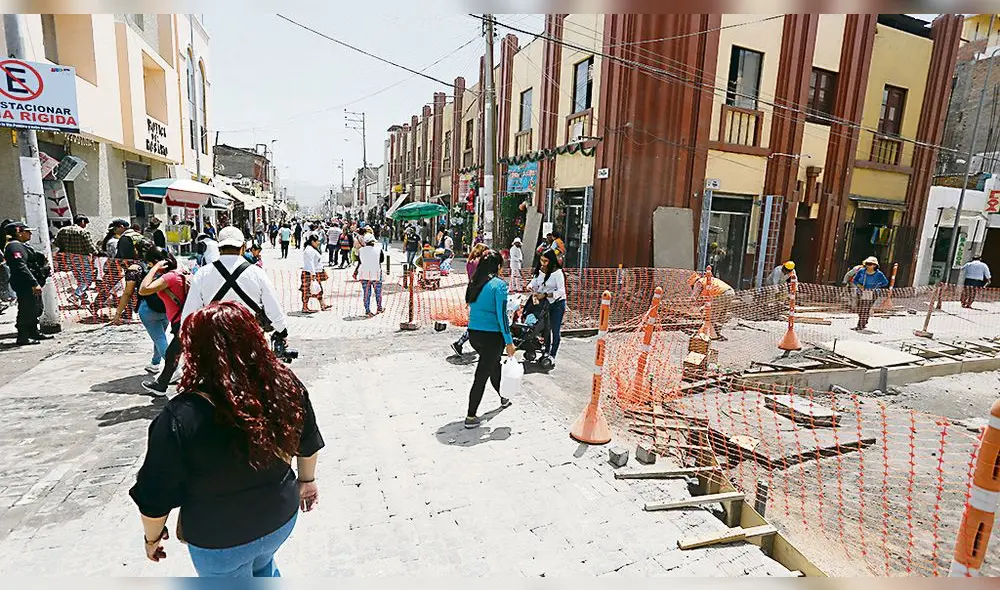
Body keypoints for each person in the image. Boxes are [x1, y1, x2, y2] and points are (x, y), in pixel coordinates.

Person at [128, 301, 324, 578]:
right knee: (264, 565)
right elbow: (308, 439)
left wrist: (152, 539)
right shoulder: (284, 384)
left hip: (220, 539)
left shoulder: (181, 416)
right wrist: (307, 481)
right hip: (280, 517)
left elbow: (155, 493)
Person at [180, 227, 288, 344]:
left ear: (219, 248)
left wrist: (187, 337)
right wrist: (282, 331)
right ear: (243, 247)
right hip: (250, 340)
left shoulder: (202, 274)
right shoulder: (257, 273)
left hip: (215, 341)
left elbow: (190, 313)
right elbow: (273, 307)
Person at [463, 251, 516, 428]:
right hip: (491, 336)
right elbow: (502, 315)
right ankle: (471, 416)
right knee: (482, 375)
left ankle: (503, 397)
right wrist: (509, 342)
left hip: (474, 334)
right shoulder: (499, 285)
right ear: (498, 266)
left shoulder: (475, 282)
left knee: (494, 365)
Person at [111, 250, 171, 375]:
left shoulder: (136, 269)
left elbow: (128, 293)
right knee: (160, 336)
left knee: (159, 337)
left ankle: (173, 368)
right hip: (166, 307)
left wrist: (118, 314)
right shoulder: (167, 267)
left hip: (148, 308)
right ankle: (155, 363)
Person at [138, 251, 190, 395]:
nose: (149, 266)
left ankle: (163, 385)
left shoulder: (170, 277)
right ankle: (161, 385)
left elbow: (143, 290)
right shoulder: (179, 272)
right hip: (183, 319)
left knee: (174, 354)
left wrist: (154, 269)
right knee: (173, 354)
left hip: (181, 321)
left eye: (150, 263)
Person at [3, 221, 52, 345]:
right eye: (27, 231)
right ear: (18, 232)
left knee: (35, 308)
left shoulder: (21, 245)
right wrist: (33, 283)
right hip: (24, 284)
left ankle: (34, 332)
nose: (30, 234)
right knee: (27, 309)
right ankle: (23, 337)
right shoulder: (14, 246)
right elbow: (20, 267)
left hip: (28, 282)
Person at [528, 249, 567, 366]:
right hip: (544, 304)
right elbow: (535, 282)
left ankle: (552, 354)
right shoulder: (540, 271)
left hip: (557, 304)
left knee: (555, 329)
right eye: (541, 260)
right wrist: (530, 287)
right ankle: (546, 351)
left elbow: (561, 291)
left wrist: (545, 295)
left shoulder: (557, 273)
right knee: (546, 329)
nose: (542, 263)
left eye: (545, 261)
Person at [451, 243, 490, 356]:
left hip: (473, 293)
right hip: (481, 293)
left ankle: (463, 343)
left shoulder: (470, 262)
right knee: (479, 322)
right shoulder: (480, 263)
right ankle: (460, 343)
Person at [53, 214, 99, 305]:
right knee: (87, 279)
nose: (85, 226)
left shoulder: (62, 231)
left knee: (79, 279)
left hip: (68, 258)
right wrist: (98, 254)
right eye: (85, 223)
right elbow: (90, 247)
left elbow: (56, 244)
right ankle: (75, 296)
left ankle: (83, 299)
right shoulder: (83, 232)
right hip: (82, 258)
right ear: (82, 222)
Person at [689, 271, 736, 338]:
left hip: (721, 294)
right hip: (730, 292)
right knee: (721, 314)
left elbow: (694, 297)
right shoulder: (707, 280)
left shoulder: (699, 282)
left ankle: (710, 335)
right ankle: (716, 332)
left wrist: (689, 304)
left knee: (712, 314)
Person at [851, 256, 889, 331]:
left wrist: (877, 286)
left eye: (871, 264)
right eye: (867, 264)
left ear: (875, 265)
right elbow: (855, 280)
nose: (868, 265)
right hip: (861, 292)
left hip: (873, 293)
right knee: (859, 307)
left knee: (865, 308)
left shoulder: (879, 274)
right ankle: (864, 320)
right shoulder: (861, 271)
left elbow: (885, 282)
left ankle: (860, 325)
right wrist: (859, 285)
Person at [353, 234, 385, 317]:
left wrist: (355, 271)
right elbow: (381, 260)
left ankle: (367, 310)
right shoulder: (379, 249)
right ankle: (379, 308)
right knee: (378, 292)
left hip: (364, 274)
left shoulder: (361, 250)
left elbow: (360, 262)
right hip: (376, 274)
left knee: (366, 293)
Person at [300, 234, 330, 313]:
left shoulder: (312, 248)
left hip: (315, 272)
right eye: (317, 241)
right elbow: (310, 263)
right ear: (313, 241)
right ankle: (305, 307)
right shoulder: (309, 250)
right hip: (309, 273)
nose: (319, 242)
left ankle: (323, 304)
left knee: (318, 289)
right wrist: (312, 274)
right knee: (306, 291)